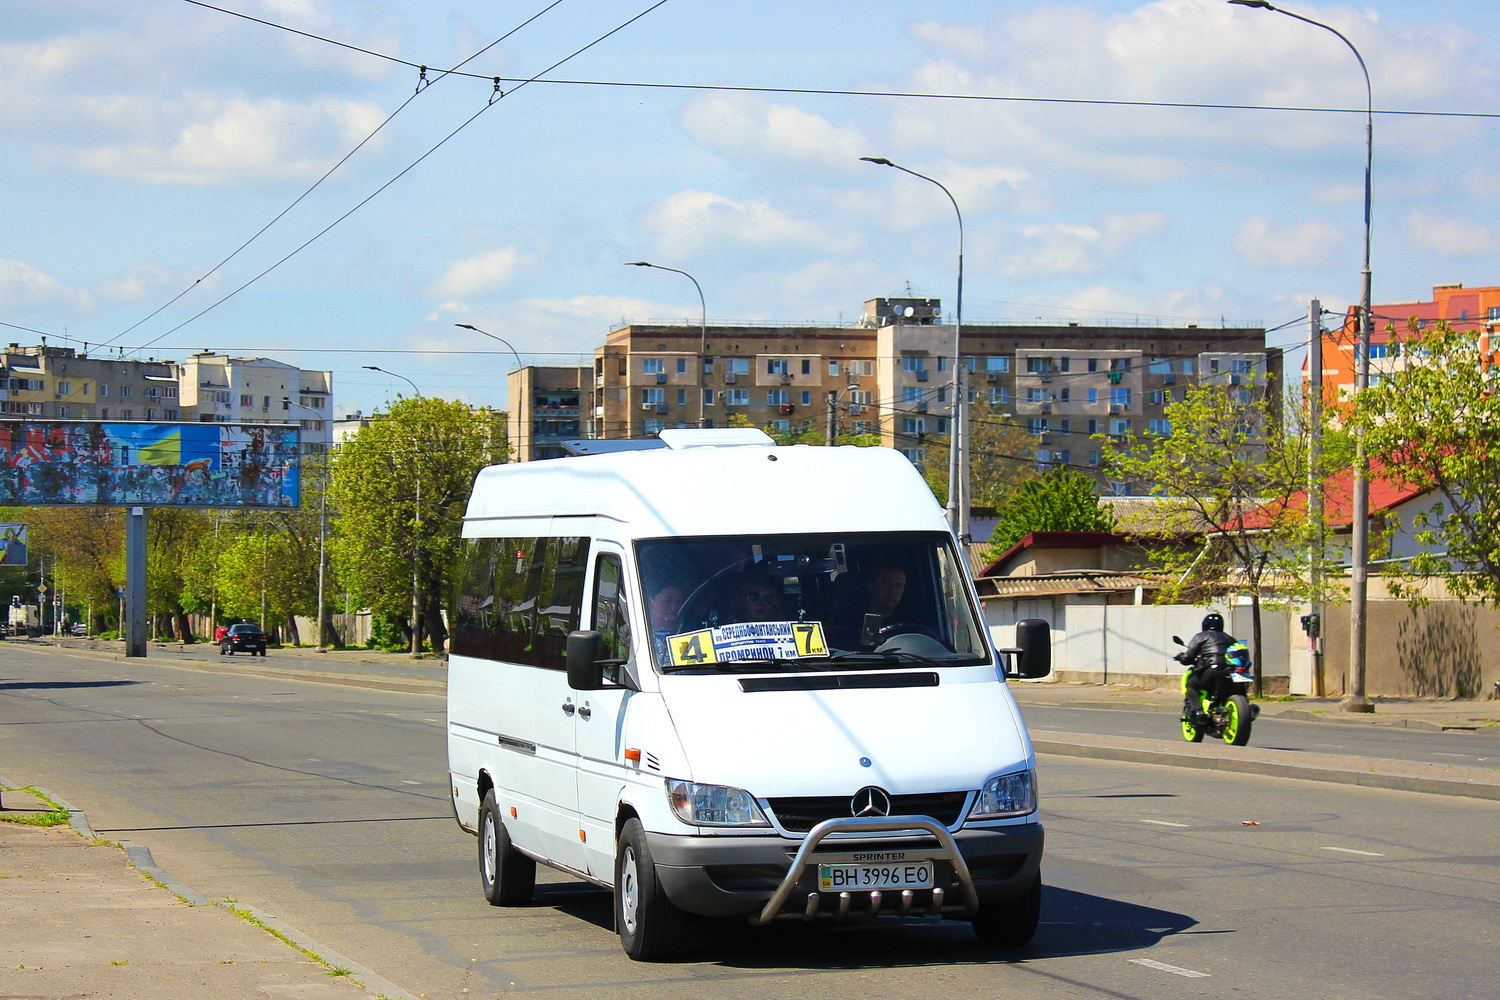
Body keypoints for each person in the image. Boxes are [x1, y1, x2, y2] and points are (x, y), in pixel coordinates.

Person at [1176, 611, 1236, 727]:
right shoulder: (1230, 639)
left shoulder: (1201, 636)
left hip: (1211, 670)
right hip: (1230, 672)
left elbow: (1188, 657)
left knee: (1191, 685)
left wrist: (1181, 658)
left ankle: (1198, 711)